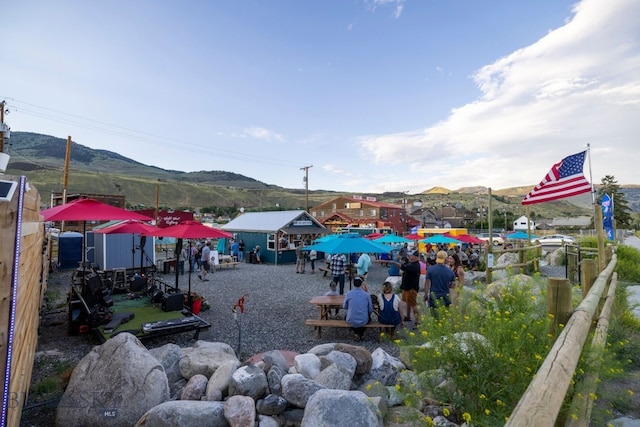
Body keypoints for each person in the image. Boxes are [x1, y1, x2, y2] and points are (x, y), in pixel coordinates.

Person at [390, 251, 421, 325]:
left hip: (411, 288)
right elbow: (404, 266)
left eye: (411, 256)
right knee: (408, 302)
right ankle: (408, 316)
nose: (410, 257)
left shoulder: (414, 266)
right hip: (407, 287)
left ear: (416, 257)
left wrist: (393, 262)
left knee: (413, 304)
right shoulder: (411, 264)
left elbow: (402, 267)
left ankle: (417, 321)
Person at [343, 276, 373, 341]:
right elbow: (370, 309)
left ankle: (356, 332)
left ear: (353, 284)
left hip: (351, 319)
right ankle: (360, 333)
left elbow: (344, 307)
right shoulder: (366, 295)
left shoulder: (348, 294)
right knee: (368, 319)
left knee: (347, 317)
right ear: (361, 284)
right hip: (363, 319)